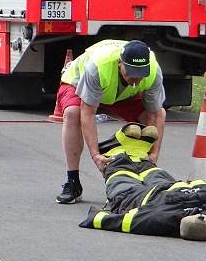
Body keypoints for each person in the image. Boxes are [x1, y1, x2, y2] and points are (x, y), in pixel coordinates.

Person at [53, 39, 166, 204]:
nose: (136, 80)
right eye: (131, 73)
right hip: (78, 83)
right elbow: (88, 113)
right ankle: (72, 182)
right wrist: (96, 155)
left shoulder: (154, 70)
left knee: (158, 114)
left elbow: (155, 116)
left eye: (141, 75)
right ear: (120, 63)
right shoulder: (99, 66)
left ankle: (141, 175)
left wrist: (154, 154)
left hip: (120, 93)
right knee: (73, 113)